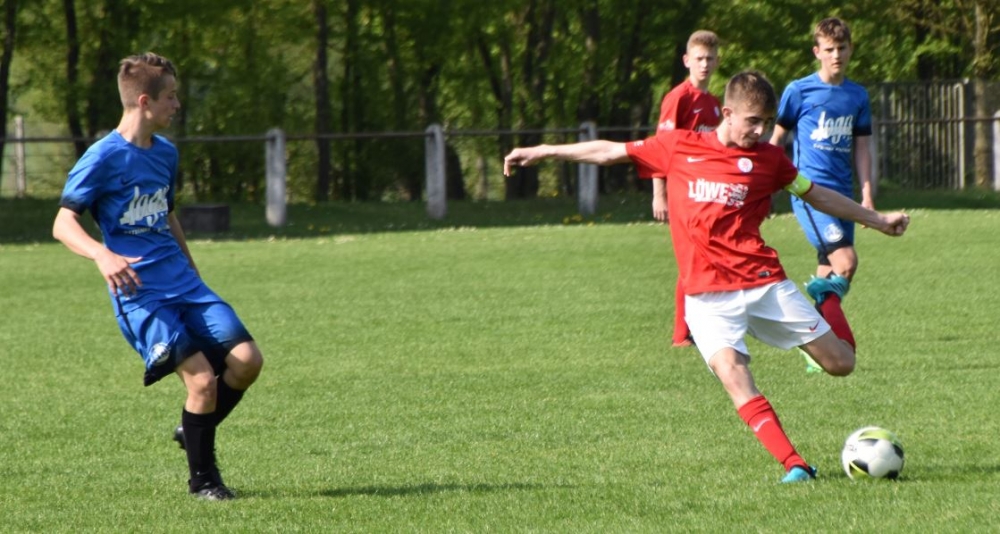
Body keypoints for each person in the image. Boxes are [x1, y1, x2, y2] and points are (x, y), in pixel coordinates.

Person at [503, 71, 909, 482]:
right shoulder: (679, 146)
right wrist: (543, 150)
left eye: (767, 122)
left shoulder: (769, 160)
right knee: (733, 374)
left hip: (762, 282)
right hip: (704, 296)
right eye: (753, 121)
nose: (761, 131)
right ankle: (795, 464)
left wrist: (876, 220)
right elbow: (609, 151)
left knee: (841, 363)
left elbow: (816, 194)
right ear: (727, 114)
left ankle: (827, 296)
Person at [52, 52, 263, 501]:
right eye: (171, 97)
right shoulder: (102, 157)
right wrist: (101, 254)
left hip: (184, 284)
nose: (177, 105)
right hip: (140, 293)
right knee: (202, 381)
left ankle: (194, 428)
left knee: (247, 361)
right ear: (145, 101)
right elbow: (63, 223)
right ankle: (204, 482)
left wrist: (192, 268)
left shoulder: (166, 153)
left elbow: (167, 216)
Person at [769, 18, 874, 372]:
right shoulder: (799, 91)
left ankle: (815, 346)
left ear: (851, 50)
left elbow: (862, 148)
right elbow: (776, 140)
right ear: (817, 52)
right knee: (846, 262)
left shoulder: (857, 96)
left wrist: (866, 195)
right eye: (829, 49)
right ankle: (828, 341)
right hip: (810, 193)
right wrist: (766, 185)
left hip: (844, 196)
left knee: (828, 271)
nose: (836, 55)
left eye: (842, 48)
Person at [654, 29, 722, 349]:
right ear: (686, 60)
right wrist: (659, 194)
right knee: (691, 259)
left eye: (709, 58)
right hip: (682, 189)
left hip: (707, 190)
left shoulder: (714, 104)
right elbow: (661, 148)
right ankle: (681, 334)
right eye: (699, 58)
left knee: (707, 256)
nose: (704, 64)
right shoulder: (678, 98)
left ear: (717, 61)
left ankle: (700, 325)